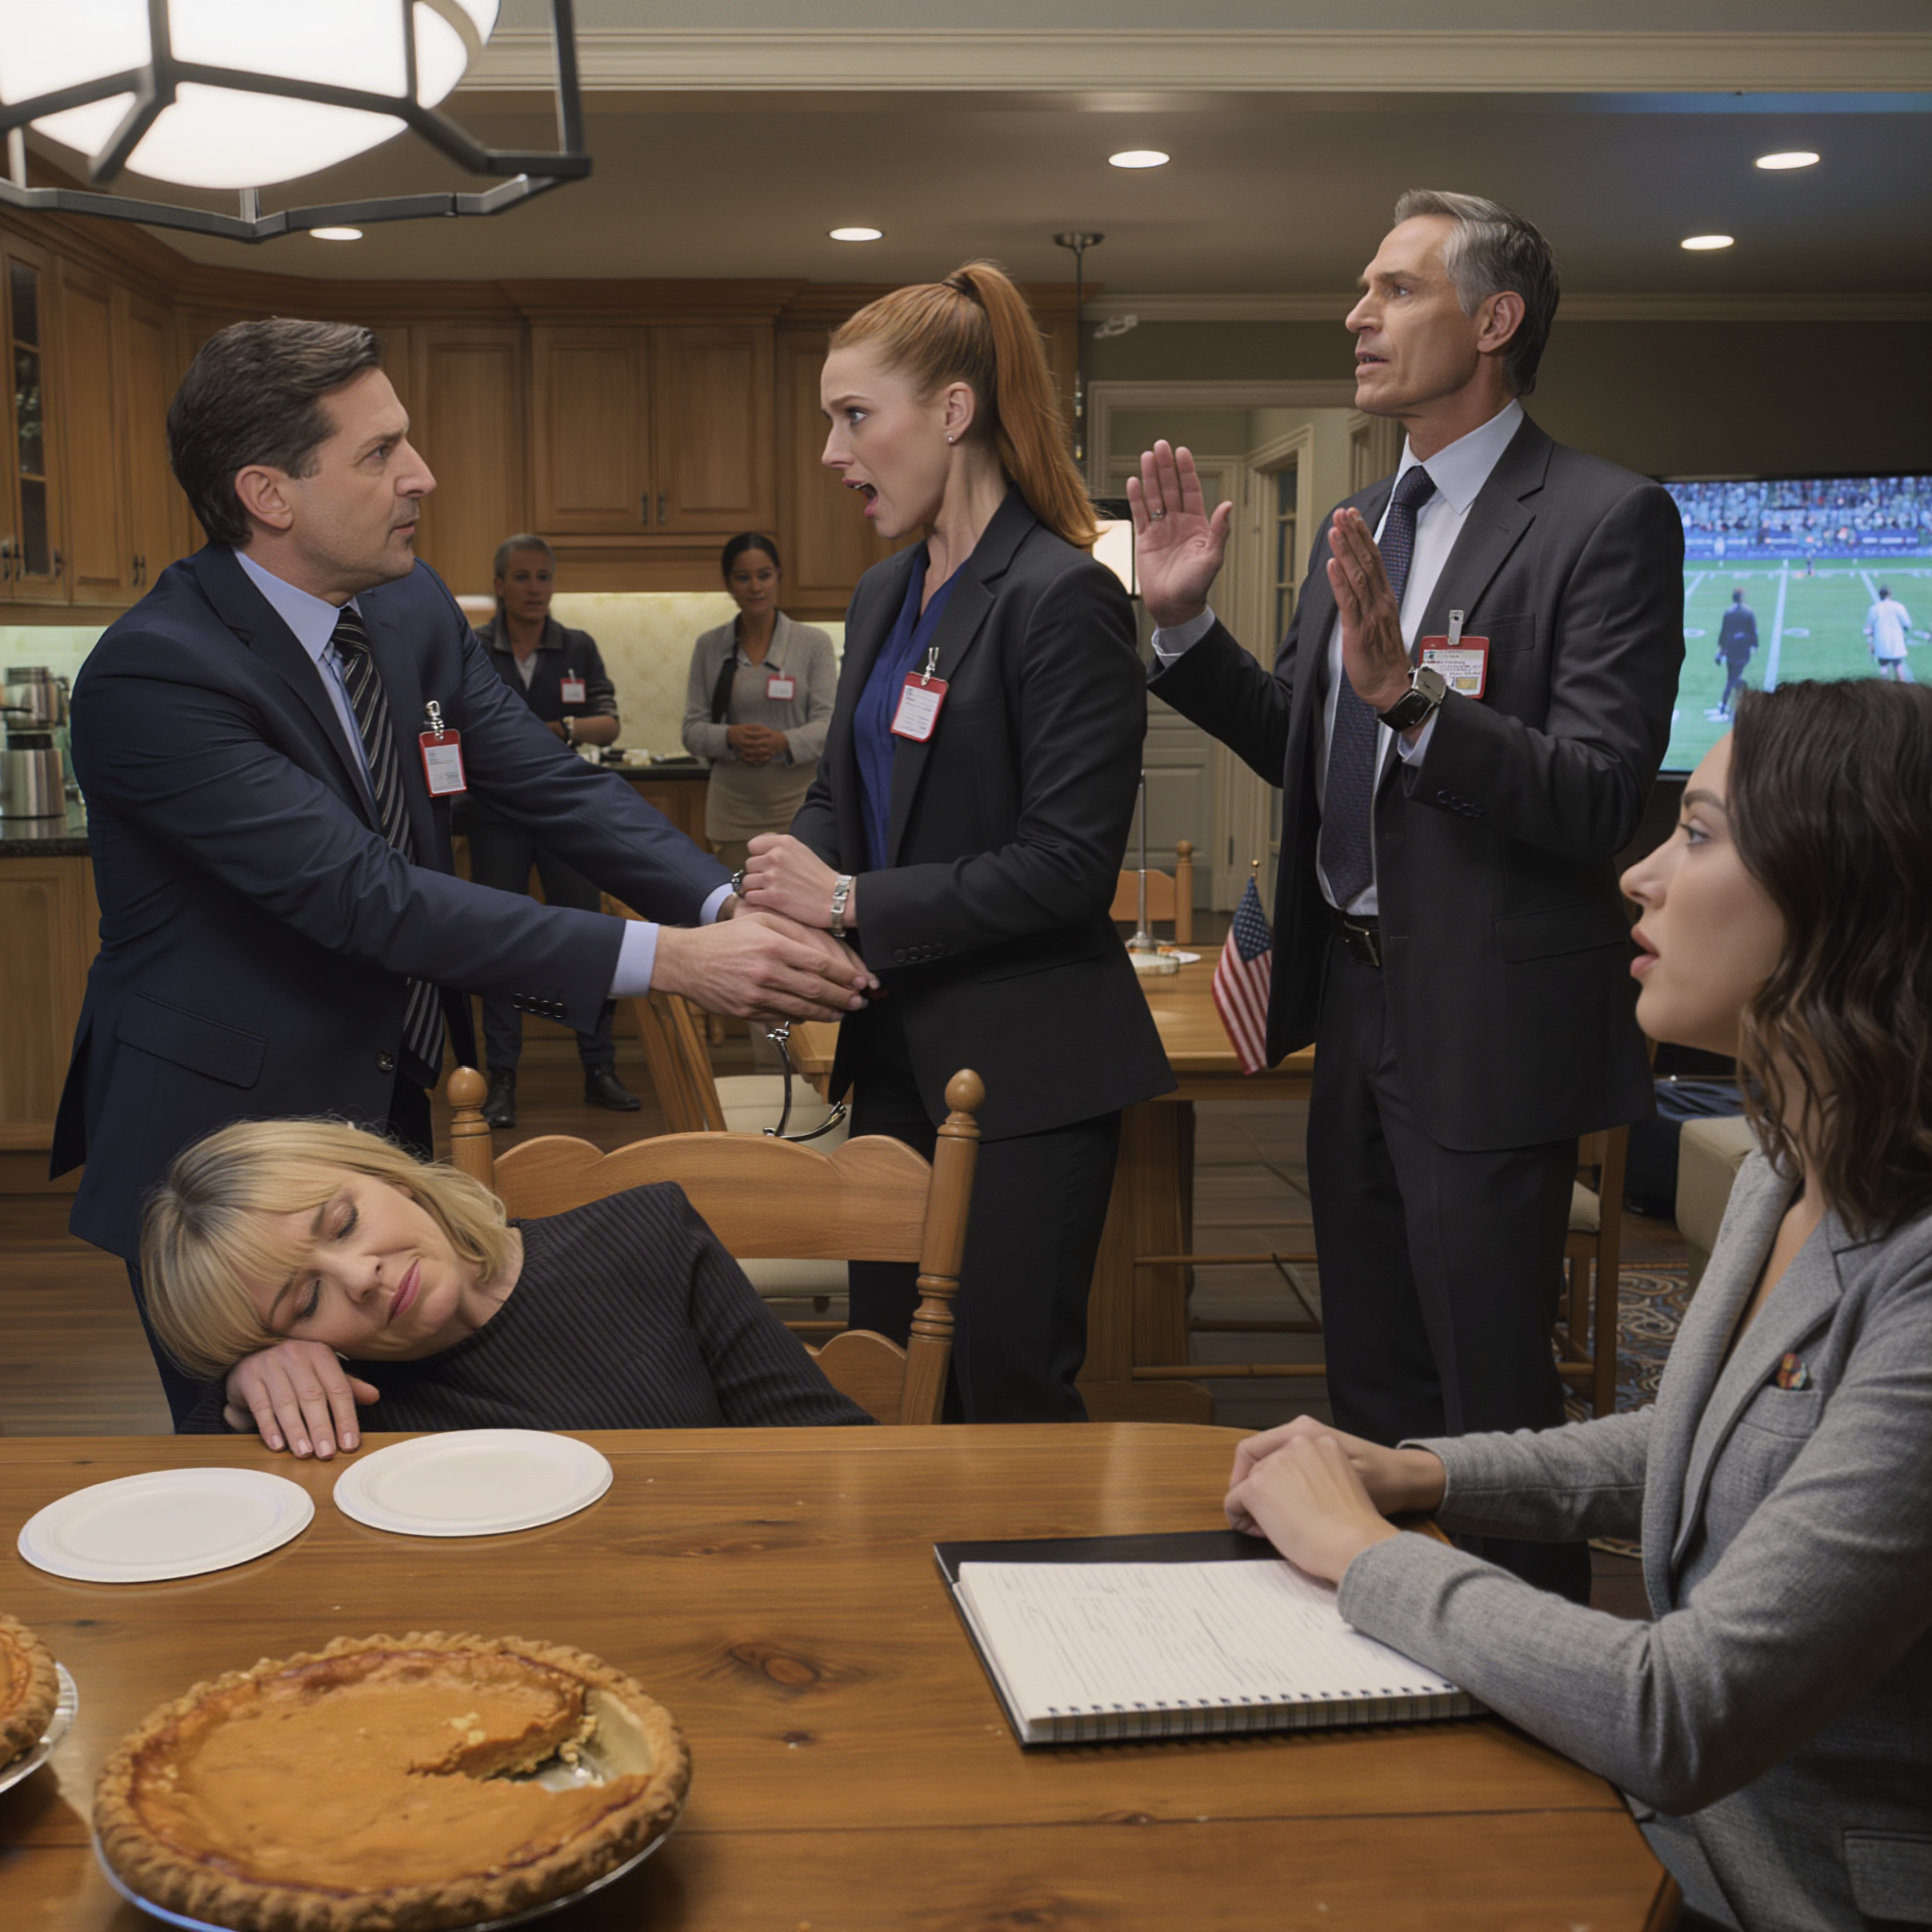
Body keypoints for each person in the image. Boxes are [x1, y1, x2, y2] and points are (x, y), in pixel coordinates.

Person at [56, 319, 874, 1430]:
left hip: (369, 1135)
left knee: (415, 1450)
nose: (422, 475)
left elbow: (546, 780)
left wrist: (728, 905)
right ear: (269, 492)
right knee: (274, 1472)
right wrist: (678, 960)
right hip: (218, 1189)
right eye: (380, 451)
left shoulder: (406, 605)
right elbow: (367, 896)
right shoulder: (154, 675)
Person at [1223, 678, 1932, 1932]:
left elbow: (1680, 1710)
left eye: (1699, 834)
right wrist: (1419, 1474)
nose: (1638, 877)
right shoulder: (1790, 1162)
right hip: (1673, 1839)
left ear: (1846, 888)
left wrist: (1363, 1553)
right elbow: (1694, 1441)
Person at [1133, 191, 1683, 1601]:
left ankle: (1537, 1698)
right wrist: (1188, 629)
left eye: (1391, 290)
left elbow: (1608, 800)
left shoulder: (1607, 520)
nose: (1354, 315)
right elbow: (1314, 745)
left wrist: (1418, 702)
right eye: (1360, 291)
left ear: (1493, 322)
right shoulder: (1365, 514)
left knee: (1489, 1395)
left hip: (1489, 1027)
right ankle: (1384, 1639)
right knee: (1368, 1373)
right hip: (1356, 997)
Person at [740, 261, 1173, 1423]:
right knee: (893, 1373)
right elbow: (840, 790)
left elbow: (1065, 868)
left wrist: (845, 903)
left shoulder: (1059, 595)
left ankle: (1042, 1607)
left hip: (1028, 1069)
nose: (832, 452)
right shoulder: (885, 591)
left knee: (1006, 1386)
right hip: (894, 1062)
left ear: (952, 411)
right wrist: (785, 892)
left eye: (852, 416)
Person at [140, 1119, 872, 1444]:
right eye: (306, 1300)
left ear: (393, 1177)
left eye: (342, 1224)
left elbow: (828, 1448)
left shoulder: (649, 1237)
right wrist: (238, 1396)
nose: (359, 1276)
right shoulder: (335, 1405)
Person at [466, 533, 637, 1128]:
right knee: (499, 944)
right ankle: (503, 1079)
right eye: (522, 577)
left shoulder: (578, 646)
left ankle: (599, 1068)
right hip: (495, 817)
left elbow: (608, 724)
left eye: (544, 578)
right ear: (499, 585)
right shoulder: (474, 647)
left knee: (586, 937)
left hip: (566, 816)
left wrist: (560, 727)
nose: (535, 589)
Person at [682, 532, 839, 880]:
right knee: (738, 911)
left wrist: (781, 742)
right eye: (743, 577)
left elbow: (830, 723)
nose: (755, 587)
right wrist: (731, 736)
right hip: (733, 810)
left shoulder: (813, 644)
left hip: (801, 805)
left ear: (779, 576)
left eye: (764, 575)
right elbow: (692, 730)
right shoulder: (710, 646)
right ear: (727, 583)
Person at [1715, 587, 1757, 717]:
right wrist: (1755, 645)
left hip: (1731, 650)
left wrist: (1721, 651)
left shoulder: (1728, 613)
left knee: (1733, 677)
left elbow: (1723, 633)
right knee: (1733, 679)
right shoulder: (1748, 612)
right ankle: (1725, 703)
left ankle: (1739, 702)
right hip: (1743, 650)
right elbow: (1753, 631)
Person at [1866, 583, 1916, 682]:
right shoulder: (1898, 606)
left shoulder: (1874, 609)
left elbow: (1868, 628)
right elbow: (1907, 623)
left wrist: (1870, 642)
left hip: (1881, 642)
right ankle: (1902, 690)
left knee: (1884, 667)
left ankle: (1886, 690)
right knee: (1898, 667)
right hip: (1896, 641)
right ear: (1890, 594)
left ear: (1880, 595)